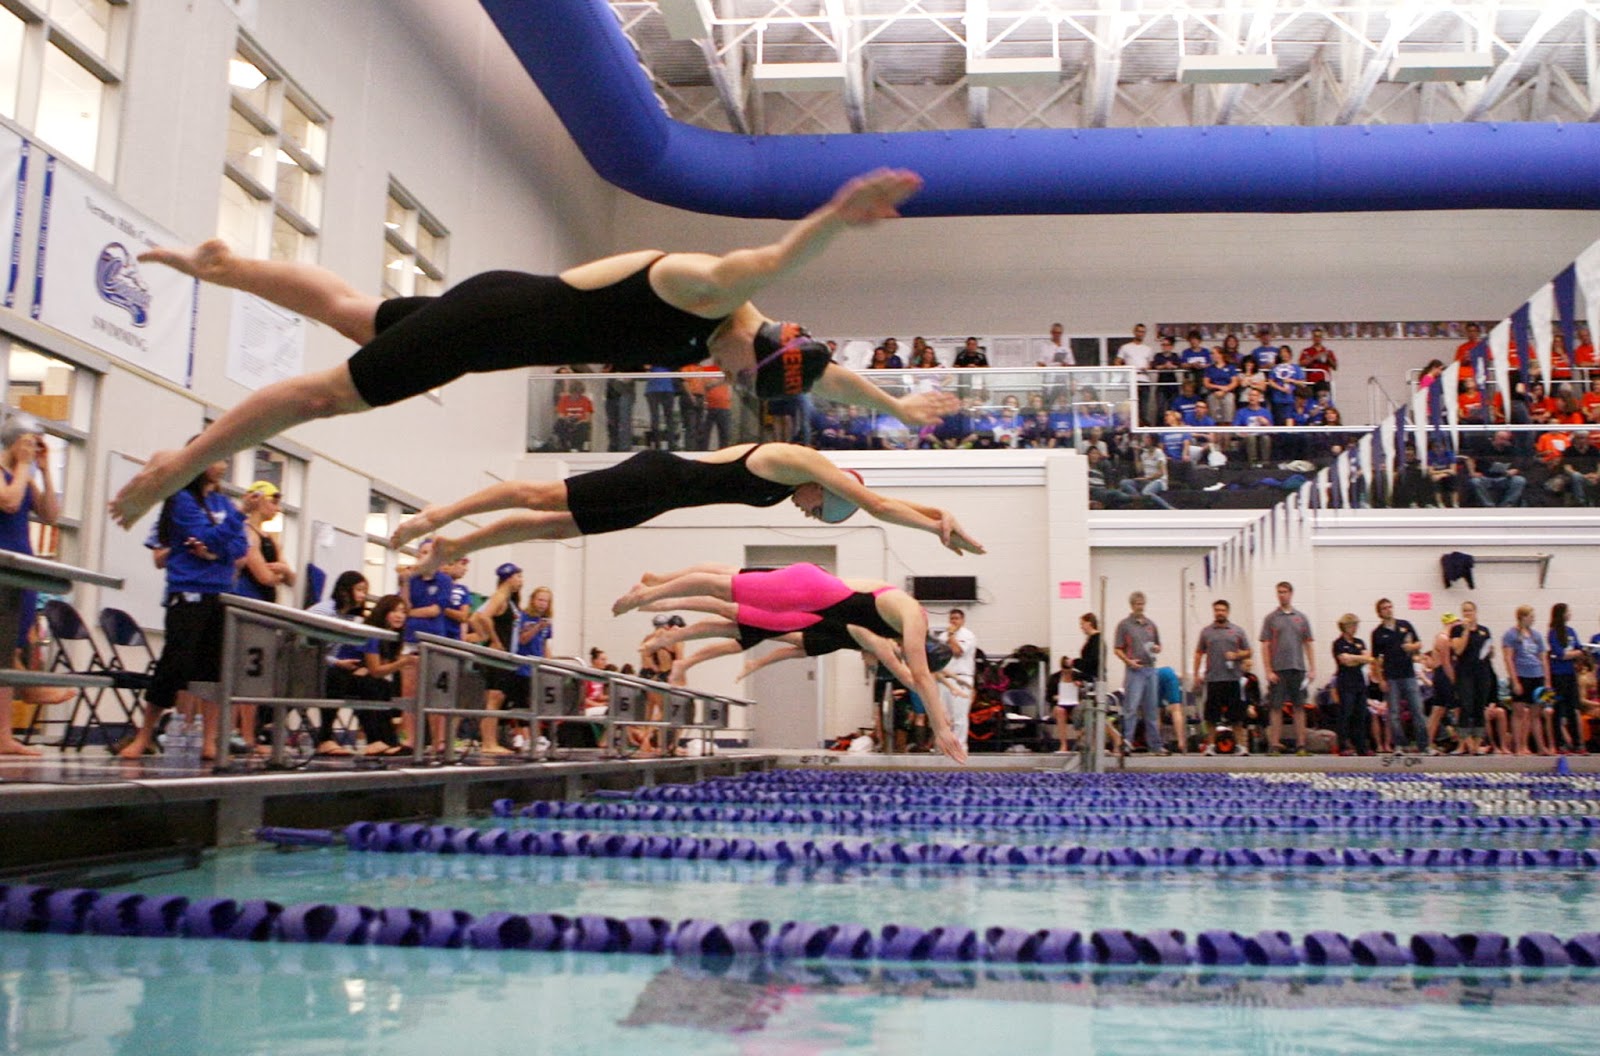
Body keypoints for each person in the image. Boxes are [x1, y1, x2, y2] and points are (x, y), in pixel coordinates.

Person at [110, 170, 953, 527]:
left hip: (496, 310)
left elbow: (828, 376)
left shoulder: (746, 333)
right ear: (754, 360)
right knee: (322, 395)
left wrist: (895, 406)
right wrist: (837, 220)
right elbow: (765, 257)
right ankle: (179, 466)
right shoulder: (707, 291)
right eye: (747, 382)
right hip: (486, 329)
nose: (727, 388)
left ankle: (228, 268)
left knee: (348, 309)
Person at [387, 442, 983, 574]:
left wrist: (937, 515)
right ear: (824, 489)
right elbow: (875, 503)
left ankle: (455, 547)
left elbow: (875, 498)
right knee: (542, 496)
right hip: (659, 475)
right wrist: (934, 528)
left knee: (553, 529)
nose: (806, 514)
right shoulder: (798, 462)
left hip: (656, 501)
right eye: (817, 511)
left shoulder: (806, 483)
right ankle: (441, 517)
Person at [614, 561, 965, 763]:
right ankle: (651, 595)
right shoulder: (911, 622)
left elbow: (916, 672)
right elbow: (917, 674)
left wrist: (945, 694)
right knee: (722, 590)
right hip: (807, 591)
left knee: (729, 600)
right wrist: (942, 727)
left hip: (809, 601)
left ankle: (658, 593)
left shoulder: (896, 630)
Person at [115, 456, 249, 760]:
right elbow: (205, 537)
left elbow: (239, 549)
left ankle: (209, 741)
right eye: (218, 457)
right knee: (172, 667)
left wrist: (214, 554)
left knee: (214, 671)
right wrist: (228, 529)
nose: (223, 463)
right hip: (188, 593)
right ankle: (144, 735)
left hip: (221, 595)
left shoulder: (224, 504)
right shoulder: (181, 500)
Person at [0, 414, 59, 756]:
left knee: (13, 649)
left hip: (23, 569)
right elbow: (8, 501)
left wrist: (45, 469)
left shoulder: (26, 478)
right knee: (4, 652)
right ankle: (27, 693)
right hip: (3, 568)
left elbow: (50, 514)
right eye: (29, 441)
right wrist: (21, 463)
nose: (32, 448)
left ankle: (5, 733)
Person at [1260, 581, 1316, 754]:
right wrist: (1268, 670)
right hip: (1278, 670)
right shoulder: (1271, 618)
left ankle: (1301, 745)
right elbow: (1265, 645)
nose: (1281, 595)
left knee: (1299, 707)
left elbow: (1308, 644)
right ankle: (1275, 745)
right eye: (1279, 592)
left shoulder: (1301, 618)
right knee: (1276, 707)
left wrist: (1312, 668)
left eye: (1284, 592)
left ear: (1291, 593)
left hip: (1298, 669)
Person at [1193, 600, 1251, 756]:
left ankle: (1241, 747)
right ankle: (1210, 746)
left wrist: (1237, 655)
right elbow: (1199, 653)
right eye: (1217, 610)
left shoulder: (1238, 631)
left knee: (1237, 717)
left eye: (1223, 610)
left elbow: (1249, 652)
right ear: (1214, 611)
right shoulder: (1206, 632)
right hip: (1213, 679)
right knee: (1211, 717)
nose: (1220, 612)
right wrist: (1196, 673)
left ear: (1228, 612)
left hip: (1233, 679)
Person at [1371, 597, 1424, 754]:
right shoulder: (1377, 633)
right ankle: (1400, 744)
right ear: (1380, 613)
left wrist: (1411, 647)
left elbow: (1419, 644)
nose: (1388, 610)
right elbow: (1376, 659)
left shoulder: (1404, 625)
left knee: (1417, 710)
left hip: (1408, 674)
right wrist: (1381, 679)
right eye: (1385, 608)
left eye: (1390, 606)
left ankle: (1424, 745)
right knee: (1393, 713)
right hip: (1391, 676)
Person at [1113, 592, 1163, 755]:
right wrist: (1128, 661)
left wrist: (1156, 649)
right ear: (1131, 605)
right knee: (1131, 708)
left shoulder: (1151, 625)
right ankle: (1127, 743)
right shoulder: (1124, 625)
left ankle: (1155, 745)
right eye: (1137, 604)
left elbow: (1158, 645)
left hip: (1150, 669)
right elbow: (1117, 649)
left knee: (1151, 709)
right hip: (1134, 670)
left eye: (1142, 604)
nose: (1140, 607)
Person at [233, 481, 294, 604]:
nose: (278, 509)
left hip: (265, 602)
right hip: (246, 600)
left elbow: (292, 580)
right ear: (258, 500)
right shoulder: (246, 533)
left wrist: (285, 571)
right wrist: (283, 573)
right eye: (273, 502)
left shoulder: (270, 538)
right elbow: (265, 578)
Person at [1502, 604, 1551, 755]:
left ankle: (1541, 746)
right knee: (1518, 713)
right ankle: (1518, 747)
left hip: (1537, 676)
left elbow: (1543, 659)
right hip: (1522, 676)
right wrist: (1515, 680)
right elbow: (1508, 658)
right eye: (1531, 616)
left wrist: (1547, 681)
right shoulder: (1511, 635)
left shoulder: (1536, 636)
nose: (1533, 619)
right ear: (1523, 617)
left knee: (1536, 713)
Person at [1449, 599, 1495, 756]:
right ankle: (1465, 744)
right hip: (1465, 673)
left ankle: (1476, 744)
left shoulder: (1484, 631)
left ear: (1475, 612)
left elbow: (1490, 653)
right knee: (1466, 706)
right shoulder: (1457, 630)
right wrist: (1466, 631)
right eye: (1465, 611)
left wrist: (1491, 650)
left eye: (1470, 610)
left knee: (1479, 707)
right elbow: (1458, 650)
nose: (1468, 614)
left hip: (1482, 672)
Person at [1331, 614, 1374, 756]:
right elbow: (1344, 661)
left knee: (1360, 715)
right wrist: (1358, 659)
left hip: (1359, 682)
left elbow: (1368, 659)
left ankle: (1361, 746)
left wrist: (1354, 658)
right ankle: (1343, 745)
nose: (1355, 628)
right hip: (1345, 682)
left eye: (1356, 625)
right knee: (1346, 714)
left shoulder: (1359, 642)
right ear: (1345, 626)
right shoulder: (1338, 643)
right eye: (1352, 625)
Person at [1547, 602, 1584, 753]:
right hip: (1558, 675)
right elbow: (1559, 654)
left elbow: (1579, 649)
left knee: (1572, 709)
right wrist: (1573, 654)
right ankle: (1560, 744)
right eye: (1568, 611)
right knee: (1558, 708)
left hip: (1570, 674)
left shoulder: (1571, 631)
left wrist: (1574, 655)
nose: (1570, 613)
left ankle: (1578, 743)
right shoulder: (1553, 632)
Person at [937, 609, 977, 746]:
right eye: (951, 619)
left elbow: (958, 652)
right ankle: (945, 746)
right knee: (945, 716)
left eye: (956, 618)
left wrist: (952, 636)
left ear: (962, 620)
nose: (953, 621)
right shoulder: (942, 637)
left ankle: (959, 745)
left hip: (962, 678)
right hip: (945, 678)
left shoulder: (968, 635)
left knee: (959, 715)